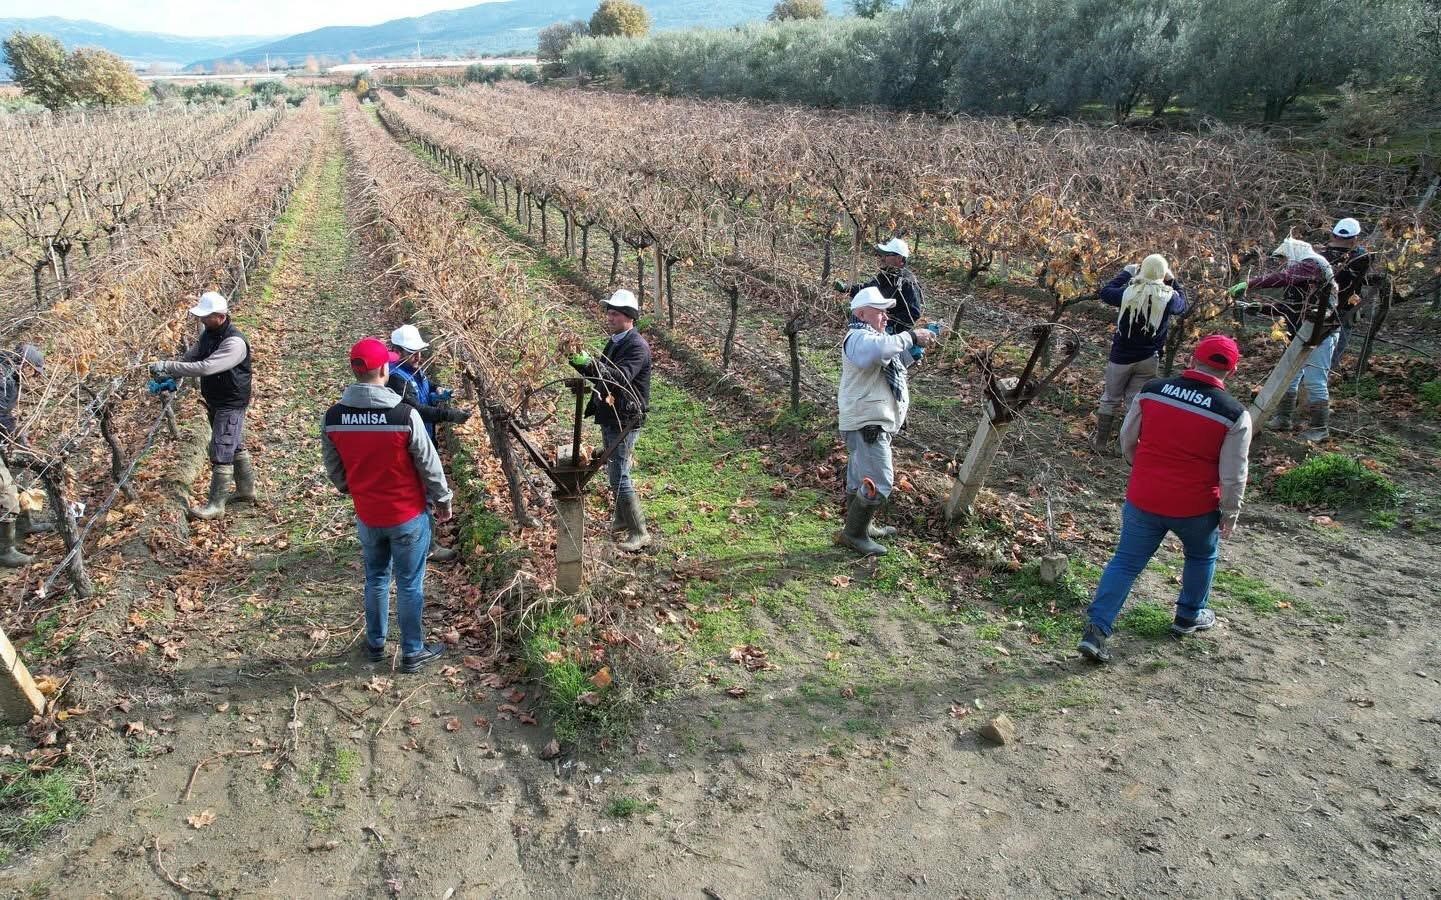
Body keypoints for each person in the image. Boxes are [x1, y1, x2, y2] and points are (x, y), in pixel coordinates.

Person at [1078, 335, 1252, 664]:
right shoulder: (1234, 414)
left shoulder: (1153, 391)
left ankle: (1097, 630)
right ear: (1233, 370)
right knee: (1201, 555)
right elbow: (1233, 473)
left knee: (1126, 563)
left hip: (1144, 496)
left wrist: (1139, 466)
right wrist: (1230, 512)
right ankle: (1189, 615)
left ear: (1190, 358)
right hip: (1196, 507)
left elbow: (1127, 437)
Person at [322, 338, 452, 673]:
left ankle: (376, 644)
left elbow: (334, 467)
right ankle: (412, 651)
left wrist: (351, 488)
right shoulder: (403, 414)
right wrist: (442, 500)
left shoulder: (334, 416)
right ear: (384, 369)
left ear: (354, 370)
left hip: (368, 515)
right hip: (407, 514)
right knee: (409, 582)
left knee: (376, 578)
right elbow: (428, 462)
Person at [835, 287, 936, 556]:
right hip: (867, 422)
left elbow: (886, 361)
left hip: (869, 421)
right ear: (861, 313)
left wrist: (910, 352)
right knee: (880, 481)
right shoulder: (858, 337)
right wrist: (911, 335)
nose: (886, 318)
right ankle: (854, 534)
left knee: (860, 479)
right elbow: (874, 352)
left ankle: (861, 528)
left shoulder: (873, 340)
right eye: (880, 312)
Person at [150, 291, 257, 519]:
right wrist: (171, 377)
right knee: (233, 443)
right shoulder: (209, 334)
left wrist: (169, 365)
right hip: (217, 398)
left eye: (206, 316)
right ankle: (247, 490)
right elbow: (192, 357)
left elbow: (207, 367)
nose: (201, 320)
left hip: (231, 401)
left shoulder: (234, 342)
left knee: (221, 448)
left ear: (220, 316)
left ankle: (216, 505)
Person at [1229, 238, 1339, 441]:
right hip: (1301, 331)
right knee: (1290, 377)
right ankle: (1283, 418)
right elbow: (1290, 307)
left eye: (1286, 257)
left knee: (1315, 380)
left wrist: (1250, 284)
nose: (1285, 262)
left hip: (1320, 331)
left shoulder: (1313, 264)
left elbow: (1284, 278)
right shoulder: (1302, 276)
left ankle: (1320, 428)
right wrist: (1260, 307)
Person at [568, 290, 653, 552]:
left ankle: (639, 532)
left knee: (619, 475)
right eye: (609, 312)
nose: (610, 317)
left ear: (630, 317)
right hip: (612, 415)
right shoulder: (616, 341)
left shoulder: (637, 346)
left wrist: (590, 364)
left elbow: (620, 378)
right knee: (614, 468)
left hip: (625, 418)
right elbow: (602, 379)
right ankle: (621, 520)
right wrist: (580, 365)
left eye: (615, 313)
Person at [387, 324, 472, 563]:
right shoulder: (395, 380)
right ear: (397, 351)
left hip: (424, 438)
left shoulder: (413, 370)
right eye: (411, 352)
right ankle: (428, 547)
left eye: (419, 351)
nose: (418, 357)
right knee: (421, 494)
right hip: (411, 445)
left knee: (421, 493)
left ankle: (414, 540)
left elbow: (425, 388)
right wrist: (449, 415)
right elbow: (417, 410)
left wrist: (438, 391)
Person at [1091, 254, 1188, 454]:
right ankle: (1122, 446)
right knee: (1133, 402)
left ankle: (1100, 443)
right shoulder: (1168, 297)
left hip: (1120, 358)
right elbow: (1183, 304)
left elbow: (1106, 292)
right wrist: (1172, 280)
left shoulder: (1128, 293)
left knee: (1110, 398)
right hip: (1148, 358)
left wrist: (1126, 272)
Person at [836, 238, 925, 357]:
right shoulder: (886, 275)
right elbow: (868, 289)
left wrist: (890, 324)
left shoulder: (907, 282)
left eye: (887, 255)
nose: (882, 258)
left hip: (895, 337)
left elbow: (913, 313)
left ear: (899, 259)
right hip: (879, 330)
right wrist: (846, 288)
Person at [0, 343, 44, 567]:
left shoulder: (12, 376)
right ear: (25, 365)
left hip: (4, 433)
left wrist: (20, 438)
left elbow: (9, 413)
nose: (35, 378)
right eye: (35, 372)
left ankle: (26, 523)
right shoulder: (3, 378)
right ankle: (5, 550)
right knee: (4, 489)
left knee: (21, 472)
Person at [1318, 217, 1373, 375]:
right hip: (1333, 309)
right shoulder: (1362, 256)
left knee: (1327, 350)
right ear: (1355, 238)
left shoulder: (1323, 255)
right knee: (1331, 351)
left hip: (1331, 308)